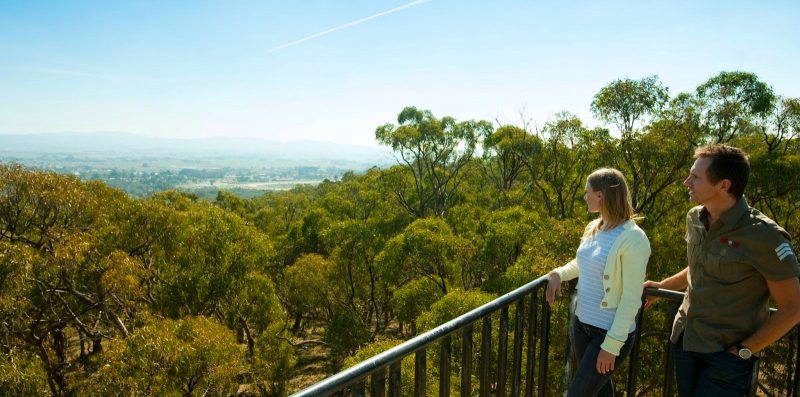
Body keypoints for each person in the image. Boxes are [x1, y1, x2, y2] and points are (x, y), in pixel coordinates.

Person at [644, 144, 800, 396]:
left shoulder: (764, 236)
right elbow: (699, 266)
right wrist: (663, 286)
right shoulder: (695, 217)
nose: (686, 182)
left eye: (695, 177)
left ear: (724, 185)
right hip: (686, 340)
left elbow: (793, 308)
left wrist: (744, 351)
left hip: (727, 356)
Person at [545, 168, 651, 397]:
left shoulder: (634, 239)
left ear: (601, 195)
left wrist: (612, 345)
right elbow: (583, 261)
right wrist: (558, 274)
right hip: (582, 326)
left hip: (608, 333)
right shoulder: (595, 227)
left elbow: (632, 299)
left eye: (587, 192)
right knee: (600, 392)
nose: (584, 197)